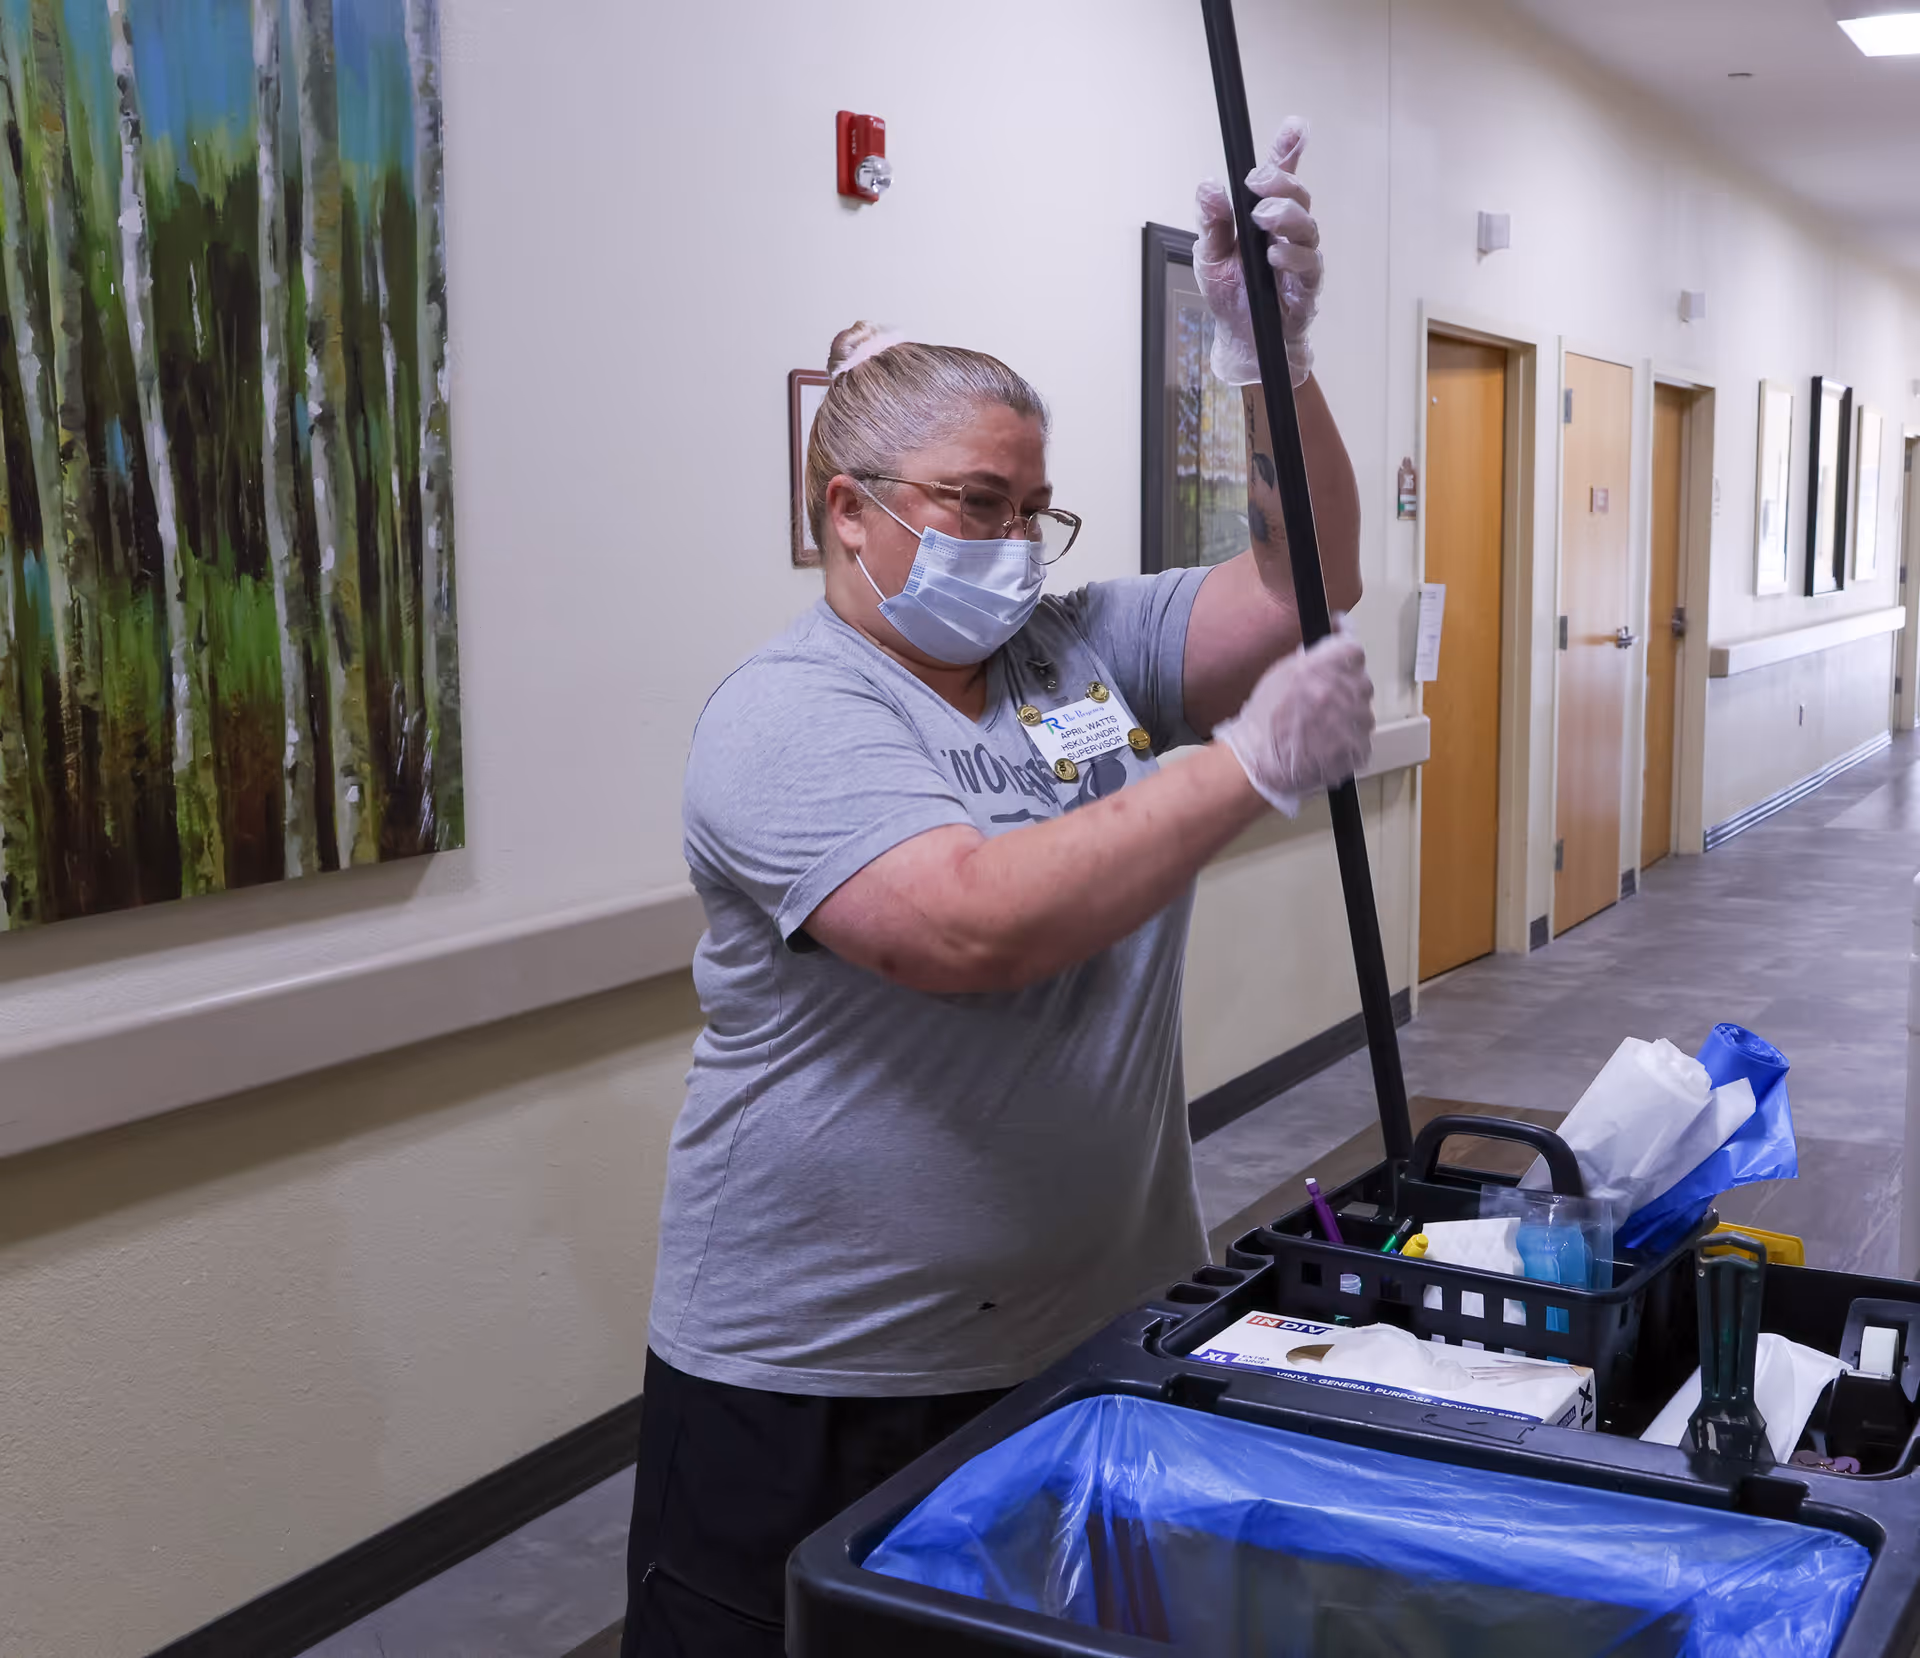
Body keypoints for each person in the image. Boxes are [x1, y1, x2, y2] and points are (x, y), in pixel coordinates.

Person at [622, 120, 1371, 1656]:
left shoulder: (1073, 653)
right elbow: (967, 922)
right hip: (821, 1376)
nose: (1017, 544)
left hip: (1083, 1333)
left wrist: (1269, 357)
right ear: (849, 510)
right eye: (975, 502)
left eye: (1035, 506)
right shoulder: (786, 714)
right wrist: (1244, 768)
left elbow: (1305, 585)